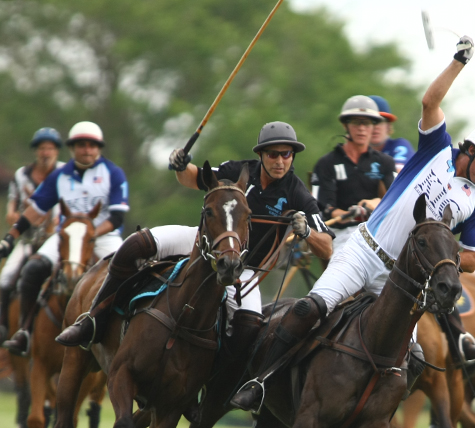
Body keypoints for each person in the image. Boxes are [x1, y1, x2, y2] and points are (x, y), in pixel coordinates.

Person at [230, 34, 475, 413]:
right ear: (472, 150)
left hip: (401, 279)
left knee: (412, 357)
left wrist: (444, 255)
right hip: (363, 251)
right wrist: (458, 62)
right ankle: (260, 382)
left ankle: (373, 421)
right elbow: (430, 102)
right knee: (310, 309)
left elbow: (474, 258)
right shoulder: (437, 149)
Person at [56, 121, 333, 353]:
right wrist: (181, 165)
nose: (280, 161)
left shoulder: (297, 193)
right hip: (203, 244)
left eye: (286, 154)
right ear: (261, 154)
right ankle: (93, 319)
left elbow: (327, 247)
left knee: (249, 329)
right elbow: (193, 178)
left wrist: (307, 232)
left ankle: (218, 385)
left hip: (244, 269)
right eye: (273, 154)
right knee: (135, 244)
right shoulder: (238, 170)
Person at [0, 122, 128, 356]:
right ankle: (24, 332)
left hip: (103, 236)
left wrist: (89, 233)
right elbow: (35, 210)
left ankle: (124, 334)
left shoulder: (113, 173)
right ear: (72, 148)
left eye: (92, 145)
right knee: (32, 269)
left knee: (128, 273)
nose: (87, 150)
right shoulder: (59, 175)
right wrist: (11, 237)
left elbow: (117, 217)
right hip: (65, 237)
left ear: (99, 148)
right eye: (81, 145)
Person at [0, 128, 64, 341]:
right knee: (6, 277)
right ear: (36, 151)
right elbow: (12, 205)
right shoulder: (22, 175)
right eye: (42, 148)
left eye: (50, 148)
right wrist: (14, 215)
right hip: (29, 239)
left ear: (56, 151)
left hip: (56, 240)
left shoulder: (65, 172)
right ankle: (4, 325)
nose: (46, 153)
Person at [310, 96, 396, 254]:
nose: (362, 128)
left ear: (373, 126)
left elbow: (397, 200)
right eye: (356, 122)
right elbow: (325, 209)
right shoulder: (326, 164)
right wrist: (351, 214)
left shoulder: (385, 162)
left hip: (377, 234)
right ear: (345, 125)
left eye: (367, 123)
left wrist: (376, 202)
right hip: (342, 235)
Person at [369, 95, 415, 172]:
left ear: (388, 125)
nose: (375, 127)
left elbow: (399, 174)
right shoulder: (353, 152)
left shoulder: (399, 146)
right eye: (369, 122)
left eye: (379, 121)